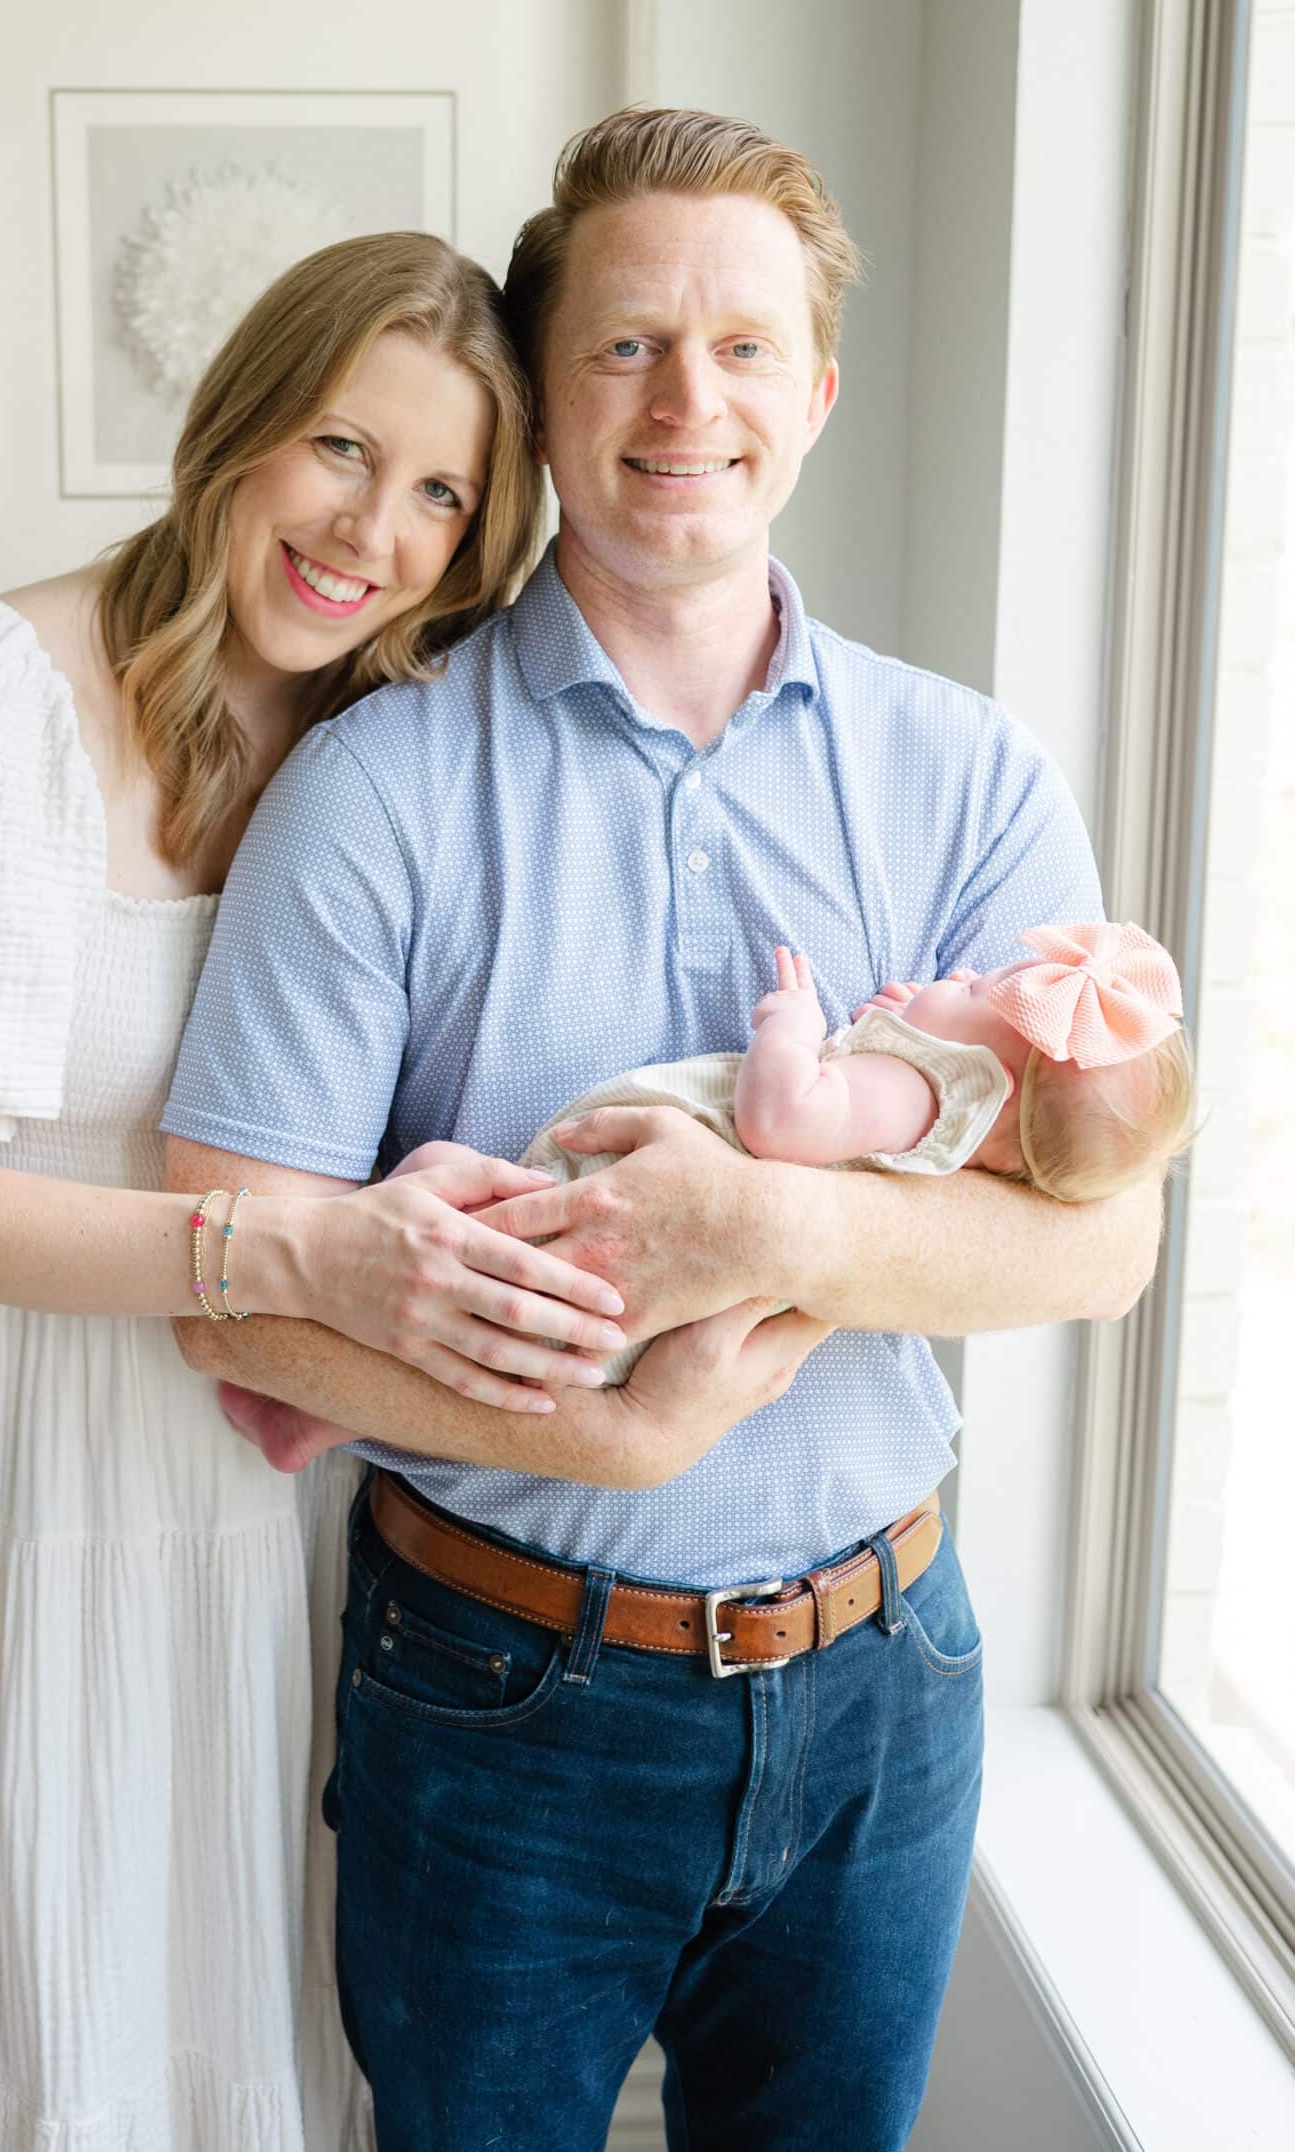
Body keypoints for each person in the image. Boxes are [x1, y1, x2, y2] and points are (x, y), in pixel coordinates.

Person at [161, 111, 1167, 2152]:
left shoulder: (967, 772)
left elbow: (1102, 1240)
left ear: (813, 391)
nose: (685, 401)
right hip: (497, 1690)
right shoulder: (372, 791)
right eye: (624, 346)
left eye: (739, 346)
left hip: (889, 1678)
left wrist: (759, 1227)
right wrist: (614, 1432)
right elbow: (229, 1295)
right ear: (541, 400)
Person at [0, 231, 678, 2152]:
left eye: (440, 494)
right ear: (240, 425)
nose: (370, 532)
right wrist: (296, 1250)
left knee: (238, 2013)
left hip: (274, 1490)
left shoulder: (385, 749)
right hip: (17, 1464)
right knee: (34, 1999)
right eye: (341, 447)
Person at [223, 920, 1196, 1459]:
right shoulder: (953, 1116)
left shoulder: (918, 1088)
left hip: (605, 1213)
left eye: (982, 993)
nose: (966, 973)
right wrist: (910, 1020)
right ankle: (320, 1417)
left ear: (992, 1089)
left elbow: (783, 1118)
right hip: (650, 1303)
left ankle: (318, 1385)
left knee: (439, 1188)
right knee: (490, 1334)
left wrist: (793, 1023)